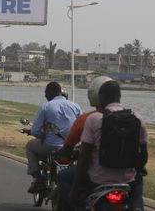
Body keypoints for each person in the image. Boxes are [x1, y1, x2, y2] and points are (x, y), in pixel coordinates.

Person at [68, 78, 148, 210]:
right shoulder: (137, 119)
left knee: (65, 179)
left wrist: (75, 189)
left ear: (100, 98)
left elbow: (84, 156)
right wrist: (137, 170)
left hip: (97, 179)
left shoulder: (93, 119)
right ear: (119, 96)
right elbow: (143, 155)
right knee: (137, 189)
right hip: (127, 180)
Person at [55, 76, 108, 209]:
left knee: (63, 177)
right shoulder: (131, 118)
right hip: (126, 176)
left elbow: (70, 148)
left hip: (96, 173)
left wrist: (64, 153)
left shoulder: (87, 119)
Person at [24, 81, 82, 193]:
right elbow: (81, 126)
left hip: (51, 146)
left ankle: (38, 179)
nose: (45, 95)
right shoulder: (76, 106)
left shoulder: (46, 107)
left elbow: (36, 131)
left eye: (46, 93)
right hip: (72, 147)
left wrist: (41, 135)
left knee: (29, 146)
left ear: (51, 92)